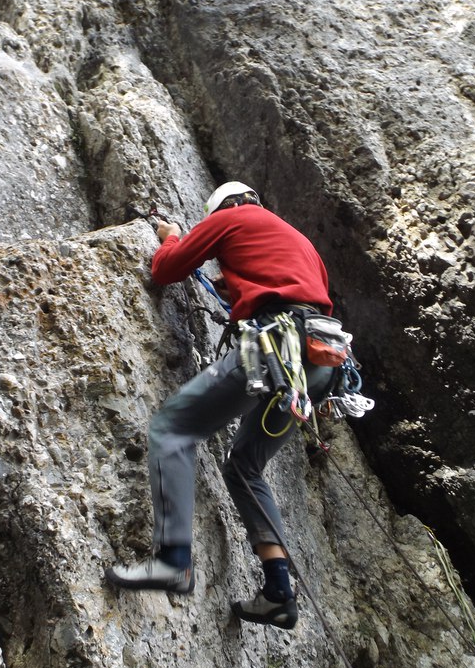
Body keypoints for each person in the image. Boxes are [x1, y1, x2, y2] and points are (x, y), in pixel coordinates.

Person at [105, 182, 334, 628]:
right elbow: (280, 285)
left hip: (274, 349)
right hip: (320, 362)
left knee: (172, 428)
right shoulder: (300, 242)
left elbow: (166, 269)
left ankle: (173, 561)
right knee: (244, 467)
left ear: (223, 207)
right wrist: (231, 289)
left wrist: (172, 235)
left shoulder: (230, 219)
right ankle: (278, 592)